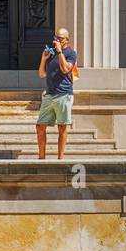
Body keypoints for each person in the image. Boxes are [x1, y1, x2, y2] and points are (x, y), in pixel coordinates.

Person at [35, 26, 78, 159]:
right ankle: (42, 158)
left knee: (62, 127)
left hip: (63, 94)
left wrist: (60, 53)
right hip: (49, 94)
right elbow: (42, 74)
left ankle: (60, 158)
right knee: (40, 126)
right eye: (55, 38)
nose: (57, 40)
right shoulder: (51, 52)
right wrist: (43, 59)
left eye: (60, 38)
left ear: (67, 40)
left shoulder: (71, 53)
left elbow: (66, 70)